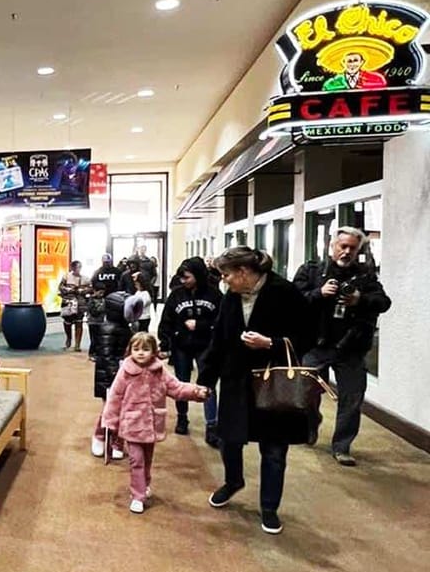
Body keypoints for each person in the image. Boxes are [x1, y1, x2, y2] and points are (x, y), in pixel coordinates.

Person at [197, 246, 314, 535]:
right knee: (229, 439)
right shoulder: (231, 298)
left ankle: (269, 507)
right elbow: (219, 340)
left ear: (244, 272)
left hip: (273, 383)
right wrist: (205, 381)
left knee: (274, 449)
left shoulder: (284, 292)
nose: (224, 281)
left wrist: (271, 343)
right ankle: (233, 481)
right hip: (236, 379)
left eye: (227, 275)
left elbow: (309, 335)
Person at [293, 226, 392, 466]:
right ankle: (310, 423)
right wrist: (319, 293)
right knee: (304, 393)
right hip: (316, 346)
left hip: (350, 349)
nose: (346, 252)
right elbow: (293, 300)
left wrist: (360, 299)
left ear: (358, 250)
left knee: (352, 398)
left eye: (352, 248)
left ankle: (342, 446)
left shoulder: (365, 277)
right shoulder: (312, 271)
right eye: (342, 246)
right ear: (331, 246)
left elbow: (384, 302)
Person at [101, 332, 209, 514]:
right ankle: (137, 495)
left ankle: (144, 484)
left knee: (147, 460)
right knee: (136, 460)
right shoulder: (125, 371)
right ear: (130, 351)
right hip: (132, 424)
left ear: (153, 351)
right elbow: (115, 397)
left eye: (145, 349)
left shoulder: (160, 371)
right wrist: (110, 421)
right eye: (136, 349)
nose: (141, 353)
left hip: (151, 425)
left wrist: (196, 392)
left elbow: (176, 387)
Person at [158, 257, 223, 442]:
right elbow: (166, 321)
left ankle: (212, 424)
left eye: (186, 277)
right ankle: (182, 418)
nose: (183, 281)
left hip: (206, 346)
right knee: (181, 383)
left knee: (207, 383)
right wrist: (166, 344)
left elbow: (221, 322)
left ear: (198, 275)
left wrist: (201, 325)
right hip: (181, 346)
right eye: (181, 278)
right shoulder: (177, 295)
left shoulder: (214, 294)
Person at [90, 289, 133, 459]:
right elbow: (106, 355)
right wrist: (116, 375)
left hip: (125, 375)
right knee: (109, 411)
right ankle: (99, 437)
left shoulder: (127, 328)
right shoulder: (107, 329)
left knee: (124, 411)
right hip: (109, 378)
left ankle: (118, 442)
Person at [58, 260, 88, 351]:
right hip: (68, 302)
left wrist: (82, 291)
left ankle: (77, 344)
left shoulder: (86, 278)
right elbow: (60, 287)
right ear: (72, 268)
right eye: (75, 267)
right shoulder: (66, 276)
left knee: (79, 322)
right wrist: (68, 290)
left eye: (79, 267)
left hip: (80, 303)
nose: (77, 269)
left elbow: (90, 288)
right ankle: (68, 339)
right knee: (67, 322)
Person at [322, 52, 387, 91]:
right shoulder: (332, 83)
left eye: (355, 60)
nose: (352, 64)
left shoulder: (377, 79)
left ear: (362, 62)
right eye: (349, 61)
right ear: (343, 63)